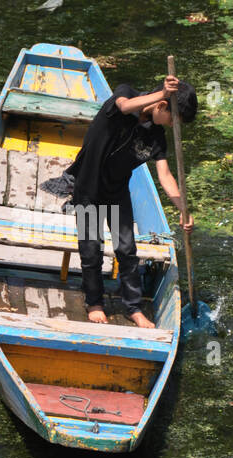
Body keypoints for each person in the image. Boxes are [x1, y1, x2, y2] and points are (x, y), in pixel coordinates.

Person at [66, 73, 197, 327]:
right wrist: (164, 93)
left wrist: (183, 209)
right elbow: (124, 106)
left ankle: (133, 308)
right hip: (89, 187)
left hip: (116, 191)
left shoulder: (156, 136)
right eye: (173, 119)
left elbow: (165, 175)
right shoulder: (127, 96)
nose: (171, 126)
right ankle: (94, 302)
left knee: (127, 249)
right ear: (161, 105)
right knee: (91, 248)